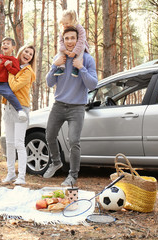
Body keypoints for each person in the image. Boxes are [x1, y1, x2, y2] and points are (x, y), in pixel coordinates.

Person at [44, 26, 98, 187]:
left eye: (72, 38)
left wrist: (81, 68)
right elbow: (49, 82)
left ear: (78, 40)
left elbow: (93, 84)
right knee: (49, 135)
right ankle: (56, 162)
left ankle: (72, 176)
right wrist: (55, 65)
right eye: (66, 38)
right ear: (63, 40)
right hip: (59, 105)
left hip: (77, 107)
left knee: (74, 141)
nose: (69, 41)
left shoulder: (87, 59)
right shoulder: (59, 57)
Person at [1, 45, 36, 185]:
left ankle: (21, 176)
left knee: (19, 143)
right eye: (26, 51)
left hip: (22, 108)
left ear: (32, 58)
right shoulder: (13, 65)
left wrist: (9, 70)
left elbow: (14, 86)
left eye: (31, 54)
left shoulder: (28, 72)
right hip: (8, 107)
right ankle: (10, 174)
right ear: (21, 52)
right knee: (9, 143)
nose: (28, 55)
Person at [54, 9, 89, 78]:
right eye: (63, 24)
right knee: (60, 50)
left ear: (73, 21)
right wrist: (65, 51)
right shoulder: (63, 29)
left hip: (79, 45)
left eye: (67, 23)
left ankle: (76, 67)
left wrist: (75, 52)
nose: (65, 25)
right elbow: (60, 41)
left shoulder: (79, 28)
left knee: (81, 49)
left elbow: (81, 40)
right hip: (67, 48)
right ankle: (61, 67)